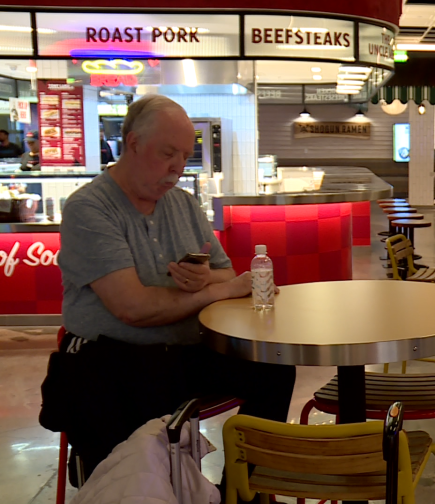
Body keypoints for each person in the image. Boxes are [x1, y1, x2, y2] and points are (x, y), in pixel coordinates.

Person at [44, 94, 296, 484]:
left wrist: (205, 279)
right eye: (167, 154)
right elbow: (133, 308)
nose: (177, 167)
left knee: (274, 369)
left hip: (184, 353)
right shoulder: (89, 209)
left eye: (184, 155)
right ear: (133, 143)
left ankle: (242, 490)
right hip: (112, 361)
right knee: (148, 465)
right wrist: (214, 291)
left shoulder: (182, 203)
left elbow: (223, 270)